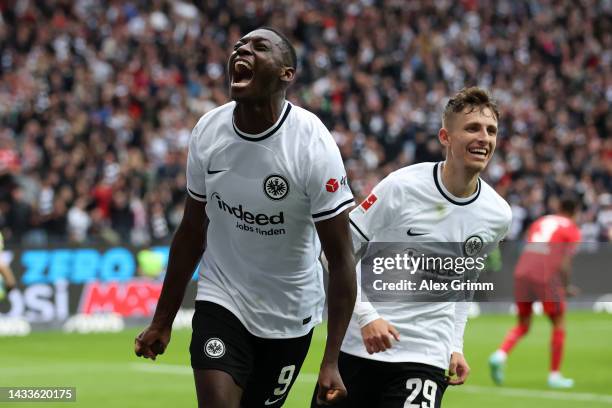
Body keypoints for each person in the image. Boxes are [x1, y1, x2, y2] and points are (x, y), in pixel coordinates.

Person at [134, 27, 356, 408]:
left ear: (286, 73)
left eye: (259, 47)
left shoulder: (312, 145)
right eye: (239, 46)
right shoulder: (209, 131)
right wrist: (162, 320)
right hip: (223, 298)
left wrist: (332, 359)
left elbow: (340, 258)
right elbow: (191, 232)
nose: (242, 50)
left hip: (289, 314)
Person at [312, 87, 512, 407]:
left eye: (491, 131)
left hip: (426, 357)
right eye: (472, 128)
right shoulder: (401, 187)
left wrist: (454, 345)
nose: (484, 137)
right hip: (359, 348)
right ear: (445, 137)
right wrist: (366, 317)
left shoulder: (498, 214)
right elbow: (334, 254)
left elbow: (465, 282)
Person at [489, 198, 581, 389]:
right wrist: (566, 285)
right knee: (559, 322)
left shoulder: (541, 221)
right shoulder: (571, 228)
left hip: (522, 271)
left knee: (523, 324)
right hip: (546, 275)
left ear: (559, 207)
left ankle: (500, 354)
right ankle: (554, 375)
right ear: (575, 212)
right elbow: (564, 262)